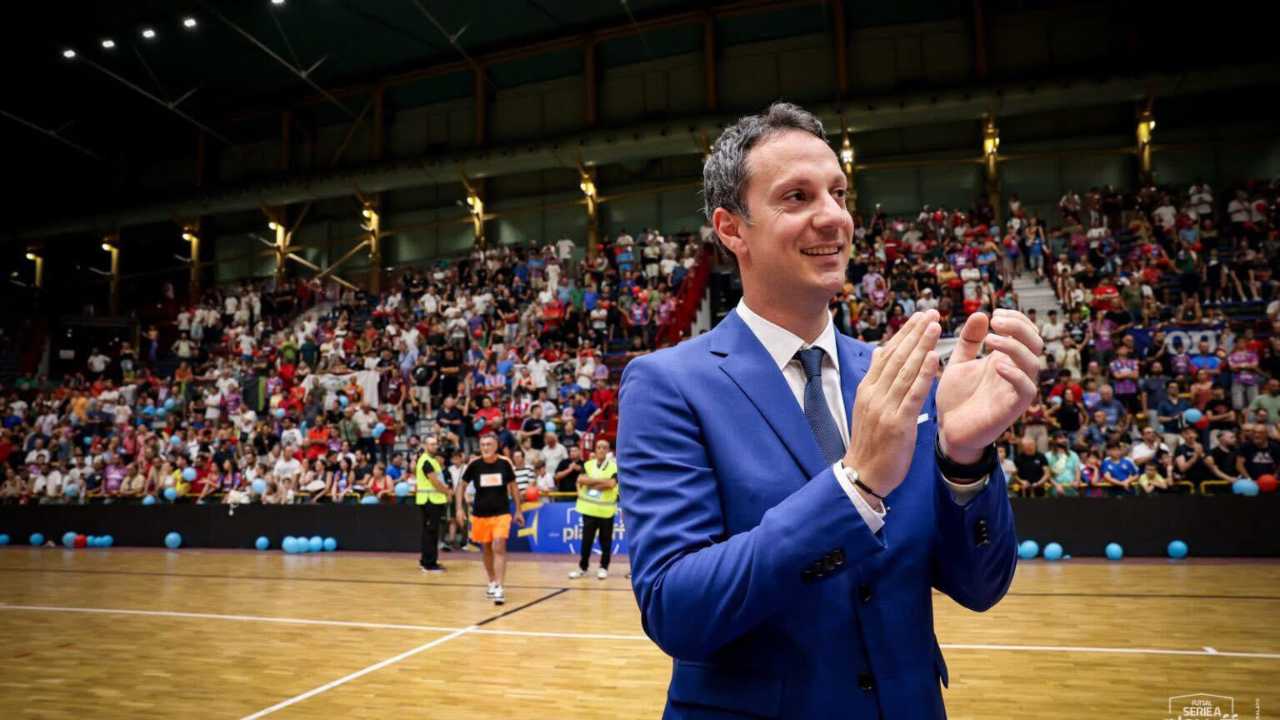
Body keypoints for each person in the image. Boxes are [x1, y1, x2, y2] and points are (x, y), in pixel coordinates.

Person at [618, 103, 1038, 719]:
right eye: (797, 196)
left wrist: (963, 458)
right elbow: (675, 608)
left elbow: (980, 587)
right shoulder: (666, 385)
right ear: (732, 229)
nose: (834, 216)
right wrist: (854, 486)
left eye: (839, 193)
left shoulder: (896, 375)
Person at [457, 434, 524, 605]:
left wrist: (518, 510)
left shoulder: (505, 463)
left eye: (489, 444)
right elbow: (461, 486)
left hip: (501, 513)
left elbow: (514, 487)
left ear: (496, 446)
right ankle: (492, 581)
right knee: (486, 549)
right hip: (480, 514)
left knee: (499, 546)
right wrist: (459, 508)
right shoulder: (474, 465)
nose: (485, 447)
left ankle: (500, 587)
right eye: (483, 444)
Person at [569, 439, 618, 580]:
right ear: (595, 450)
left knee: (605, 541)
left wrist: (591, 483)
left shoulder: (614, 467)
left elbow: (611, 484)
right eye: (599, 447)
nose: (601, 450)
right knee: (586, 541)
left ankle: (603, 567)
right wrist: (602, 481)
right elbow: (581, 480)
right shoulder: (588, 465)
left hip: (606, 511)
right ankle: (583, 567)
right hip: (589, 510)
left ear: (608, 450)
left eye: (604, 447)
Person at [415, 435, 450, 573]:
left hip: (434, 500)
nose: (435, 446)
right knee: (430, 532)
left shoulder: (432, 460)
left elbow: (438, 480)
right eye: (431, 444)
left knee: (432, 532)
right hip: (429, 500)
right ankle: (428, 564)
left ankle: (430, 560)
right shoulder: (426, 461)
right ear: (425, 446)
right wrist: (447, 492)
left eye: (435, 444)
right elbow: (435, 482)